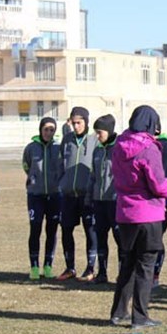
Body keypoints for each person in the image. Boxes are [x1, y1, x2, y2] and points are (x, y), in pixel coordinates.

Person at [109, 105, 167, 329]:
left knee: (127, 263)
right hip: (148, 214)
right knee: (145, 265)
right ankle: (140, 316)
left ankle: (118, 313)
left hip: (125, 213)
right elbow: (157, 183)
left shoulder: (119, 145)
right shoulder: (149, 148)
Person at [56, 106, 98, 281]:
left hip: (87, 196)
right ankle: (70, 268)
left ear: (86, 122)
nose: (76, 126)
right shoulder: (67, 140)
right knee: (66, 230)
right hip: (68, 195)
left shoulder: (95, 140)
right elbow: (60, 164)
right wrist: (62, 183)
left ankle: (90, 268)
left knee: (91, 231)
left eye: (79, 123)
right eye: (73, 123)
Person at [22, 117, 62, 280]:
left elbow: (62, 166)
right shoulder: (31, 147)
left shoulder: (58, 147)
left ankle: (48, 265)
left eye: (52, 130)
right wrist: (33, 178)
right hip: (35, 195)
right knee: (35, 229)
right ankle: (34, 266)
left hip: (54, 195)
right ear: (40, 130)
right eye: (46, 129)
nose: (48, 132)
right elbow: (26, 164)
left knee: (52, 231)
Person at [86, 115, 120, 284]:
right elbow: (93, 176)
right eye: (96, 132)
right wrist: (89, 197)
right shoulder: (98, 150)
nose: (97, 136)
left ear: (109, 131)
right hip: (98, 201)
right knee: (100, 238)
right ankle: (102, 272)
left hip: (115, 201)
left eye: (100, 132)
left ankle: (123, 273)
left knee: (120, 238)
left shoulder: (119, 149)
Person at [153, 121, 167, 287]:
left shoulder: (166, 147)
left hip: (160, 201)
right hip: (142, 202)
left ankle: (155, 275)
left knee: (156, 238)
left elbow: (164, 176)